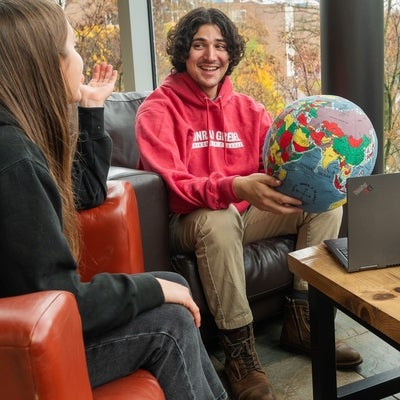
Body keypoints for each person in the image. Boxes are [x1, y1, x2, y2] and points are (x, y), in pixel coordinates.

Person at [0, 1, 228, 399]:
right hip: (21, 348)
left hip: (35, 322)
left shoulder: (18, 139)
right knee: (170, 323)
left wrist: (91, 109)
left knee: (172, 282)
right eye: (71, 49)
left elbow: (83, 194)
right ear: (40, 63)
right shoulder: (12, 158)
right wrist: (154, 293)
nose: (81, 60)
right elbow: (61, 301)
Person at [136, 7, 363, 400]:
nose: (211, 56)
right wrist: (235, 187)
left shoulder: (250, 110)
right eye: (199, 45)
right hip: (189, 221)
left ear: (231, 54)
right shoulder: (158, 109)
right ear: (183, 53)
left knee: (324, 203)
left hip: (241, 214)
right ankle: (239, 354)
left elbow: (271, 169)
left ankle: (303, 320)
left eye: (220, 46)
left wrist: (309, 178)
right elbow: (174, 189)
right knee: (219, 217)